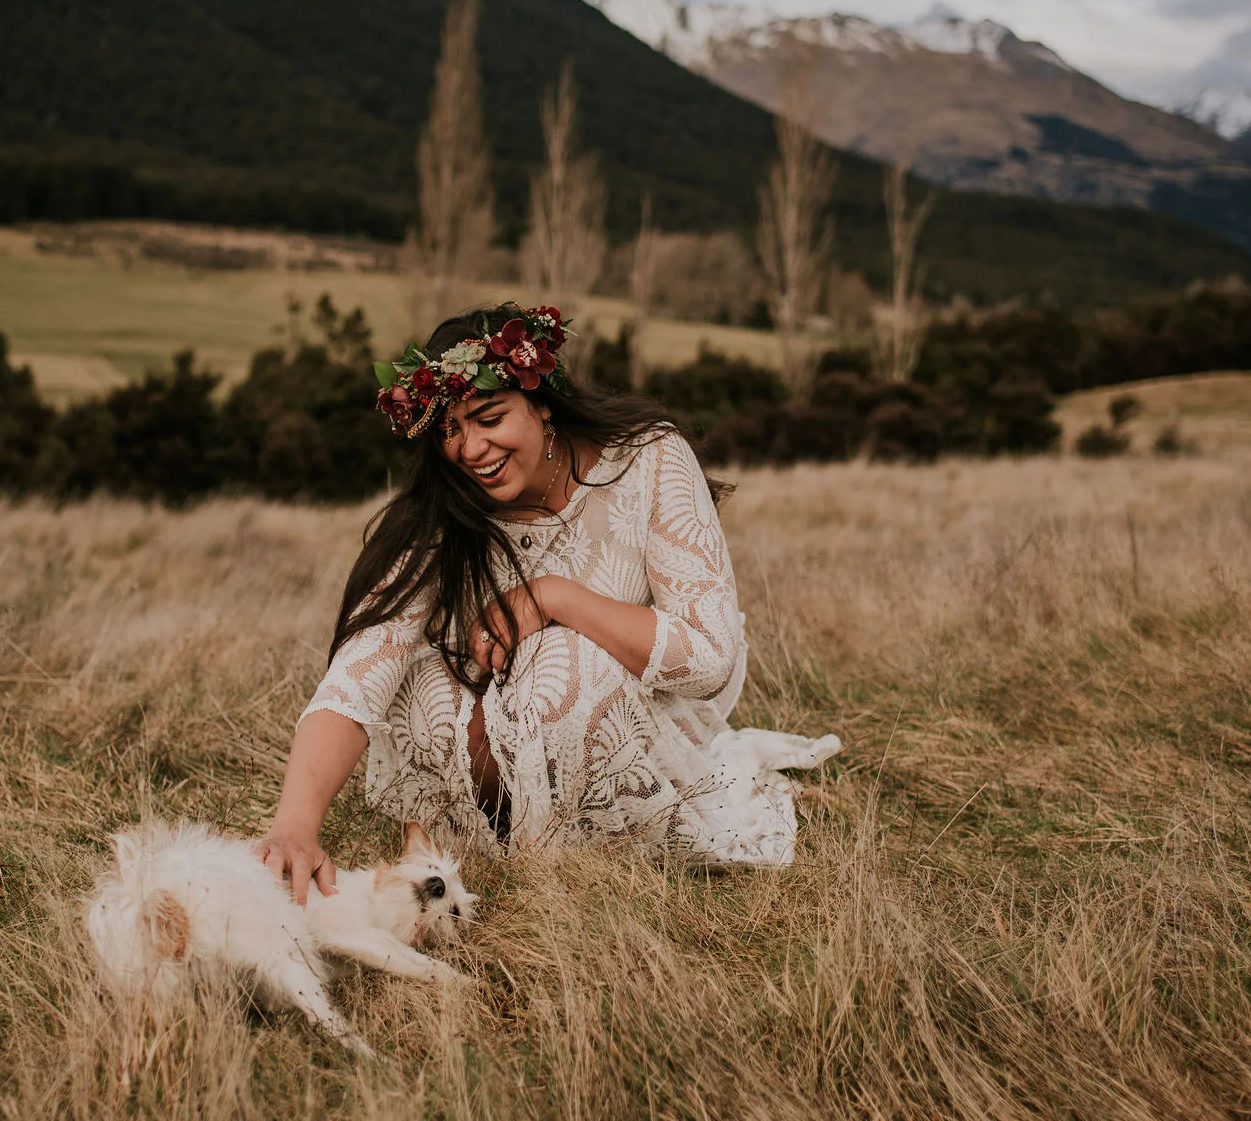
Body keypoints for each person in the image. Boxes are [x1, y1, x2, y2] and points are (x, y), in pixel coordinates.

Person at [254, 303, 834, 902]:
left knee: (562, 657)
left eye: (489, 417)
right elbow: (362, 668)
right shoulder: (445, 506)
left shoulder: (648, 459)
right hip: (497, 725)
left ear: (543, 404)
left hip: (645, 715)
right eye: (449, 429)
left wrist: (551, 597)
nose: (470, 448)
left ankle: (568, 856)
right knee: (414, 675)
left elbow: (711, 657)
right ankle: (446, 835)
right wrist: (295, 825)